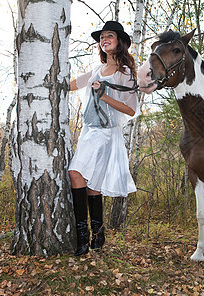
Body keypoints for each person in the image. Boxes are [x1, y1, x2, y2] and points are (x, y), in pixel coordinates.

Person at [68, 21, 138, 256]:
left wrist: (103, 95)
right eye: (101, 37)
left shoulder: (126, 73)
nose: (104, 39)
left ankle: (82, 237)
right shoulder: (96, 70)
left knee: (75, 173)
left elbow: (130, 110)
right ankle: (96, 236)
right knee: (93, 186)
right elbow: (73, 85)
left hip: (107, 133)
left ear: (120, 41)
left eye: (110, 36)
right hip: (89, 129)